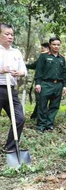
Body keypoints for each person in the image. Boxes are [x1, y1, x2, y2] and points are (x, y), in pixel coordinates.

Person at [0, 23, 27, 153]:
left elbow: (24, 70)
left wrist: (19, 73)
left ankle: (10, 147)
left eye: (12, 34)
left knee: (19, 118)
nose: (10, 37)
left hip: (11, 89)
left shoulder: (16, 52)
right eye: (7, 34)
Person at [35, 36, 66, 132]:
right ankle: (41, 125)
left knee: (54, 106)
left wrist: (65, 85)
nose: (56, 47)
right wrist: (38, 83)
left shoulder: (62, 58)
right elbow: (39, 70)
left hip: (58, 85)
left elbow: (64, 72)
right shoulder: (44, 56)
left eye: (58, 45)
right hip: (45, 84)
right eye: (54, 44)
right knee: (42, 105)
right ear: (50, 45)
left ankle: (49, 124)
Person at [26, 42, 50, 120]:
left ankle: (40, 117)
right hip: (40, 82)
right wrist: (24, 65)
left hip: (44, 83)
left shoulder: (50, 57)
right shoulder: (42, 57)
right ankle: (35, 116)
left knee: (41, 101)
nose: (41, 50)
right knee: (40, 101)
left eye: (42, 48)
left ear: (47, 48)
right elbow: (34, 65)